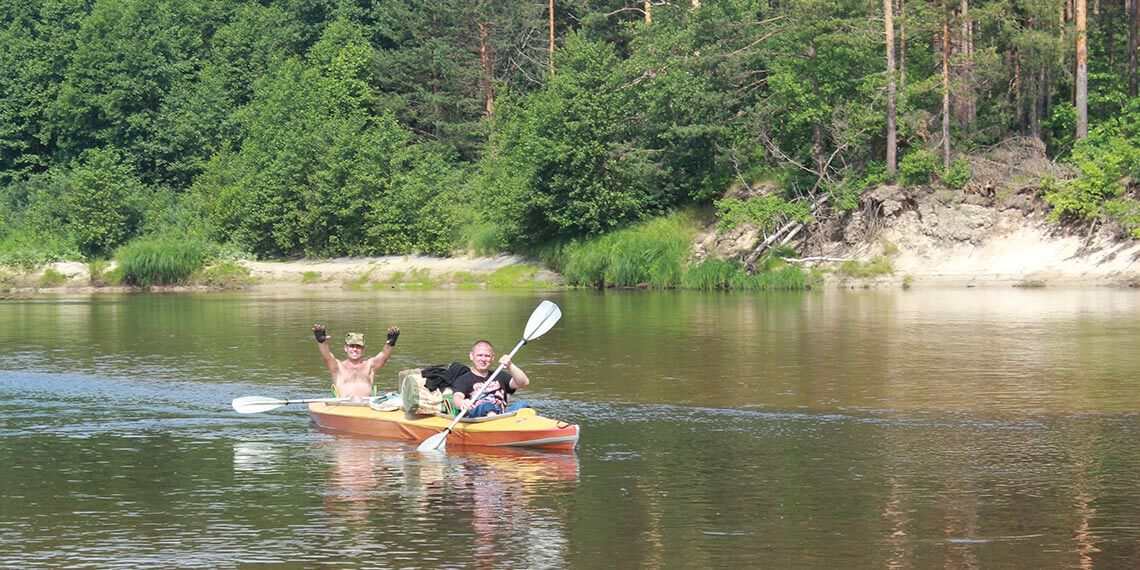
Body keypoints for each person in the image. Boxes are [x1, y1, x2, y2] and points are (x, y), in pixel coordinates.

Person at [312, 323, 400, 401]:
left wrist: (391, 343)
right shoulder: (337, 366)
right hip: (345, 406)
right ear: (345, 348)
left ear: (363, 350)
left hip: (367, 406)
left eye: (358, 346)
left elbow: (384, 355)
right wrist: (321, 342)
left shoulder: (370, 365)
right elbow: (327, 355)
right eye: (351, 346)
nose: (355, 349)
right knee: (356, 399)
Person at [451, 339, 530, 418]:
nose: (483, 359)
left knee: (522, 405)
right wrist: (462, 402)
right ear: (472, 356)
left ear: (492, 358)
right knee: (487, 405)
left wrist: (510, 365)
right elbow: (456, 398)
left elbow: (523, 382)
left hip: (501, 416)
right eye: (480, 355)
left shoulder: (500, 376)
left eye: (487, 356)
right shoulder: (464, 379)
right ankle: (496, 422)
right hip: (477, 417)